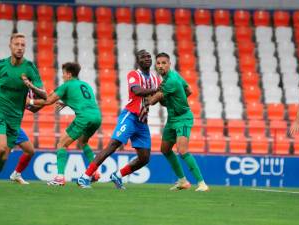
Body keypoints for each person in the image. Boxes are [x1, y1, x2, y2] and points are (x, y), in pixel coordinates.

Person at [0, 33, 46, 196]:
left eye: (22, 45)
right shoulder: (1, 66)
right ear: (10, 46)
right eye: (17, 44)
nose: (20, 47)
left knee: (3, 156)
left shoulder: (30, 69)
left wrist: (31, 86)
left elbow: (43, 95)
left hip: (15, 118)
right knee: (1, 147)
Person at [77, 49, 160, 189]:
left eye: (149, 57)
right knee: (112, 145)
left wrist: (163, 95)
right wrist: (158, 90)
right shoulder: (134, 74)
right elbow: (137, 91)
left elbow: (155, 99)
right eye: (143, 57)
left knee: (145, 158)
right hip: (130, 116)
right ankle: (85, 177)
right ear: (137, 60)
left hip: (142, 121)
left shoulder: (155, 79)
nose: (147, 58)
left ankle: (118, 176)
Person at [29, 62, 102, 186]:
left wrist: (30, 100)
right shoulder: (86, 85)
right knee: (83, 142)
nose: (62, 76)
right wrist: (64, 101)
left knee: (61, 143)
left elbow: (49, 101)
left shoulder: (66, 85)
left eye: (63, 73)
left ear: (68, 74)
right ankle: (94, 172)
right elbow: (79, 99)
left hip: (83, 117)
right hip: (97, 116)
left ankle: (60, 177)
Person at [146, 52, 209, 192]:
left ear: (169, 64)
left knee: (182, 150)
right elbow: (189, 90)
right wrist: (177, 99)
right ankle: (182, 181)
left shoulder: (171, 81)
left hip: (183, 118)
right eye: (158, 63)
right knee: (165, 149)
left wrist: (145, 95)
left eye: (164, 63)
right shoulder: (174, 77)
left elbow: (152, 101)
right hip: (172, 118)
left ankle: (202, 184)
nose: (161, 65)